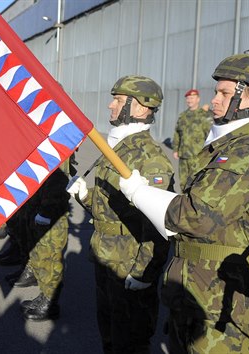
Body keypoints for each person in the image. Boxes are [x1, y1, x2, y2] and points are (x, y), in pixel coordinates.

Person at [118, 54, 249, 352]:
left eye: (224, 93)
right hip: (198, 290)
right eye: (216, 93)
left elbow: (194, 216)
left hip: (226, 302)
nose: (214, 101)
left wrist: (139, 193)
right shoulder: (231, 145)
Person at [67, 75, 173, 353]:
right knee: (110, 334)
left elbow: (157, 224)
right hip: (106, 256)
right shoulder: (117, 149)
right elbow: (108, 209)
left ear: (140, 109)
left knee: (131, 341)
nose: (110, 106)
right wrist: (84, 196)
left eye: (118, 100)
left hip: (128, 264)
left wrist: (144, 273)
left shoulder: (150, 158)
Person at [18, 160, 71, 321]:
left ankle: (50, 304)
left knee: (50, 258)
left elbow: (58, 180)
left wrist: (47, 211)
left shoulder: (57, 142)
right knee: (40, 255)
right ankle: (44, 295)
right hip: (39, 203)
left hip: (51, 211)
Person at [172, 89, 212, 189]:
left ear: (198, 99)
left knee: (197, 181)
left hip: (197, 154)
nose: (189, 100)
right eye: (188, 98)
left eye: (192, 98)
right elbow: (177, 133)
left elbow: (209, 134)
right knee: (183, 181)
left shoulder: (204, 114)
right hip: (184, 154)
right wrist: (175, 149)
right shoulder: (183, 116)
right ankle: (183, 201)